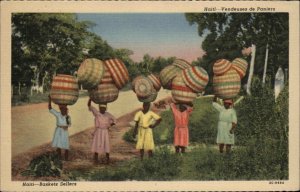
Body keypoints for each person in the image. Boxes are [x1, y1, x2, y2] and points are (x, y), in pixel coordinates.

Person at [88, 99, 116, 164]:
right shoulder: (97, 113)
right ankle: (96, 160)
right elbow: (90, 106)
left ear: (105, 108)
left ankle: (107, 159)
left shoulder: (108, 114)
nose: (102, 109)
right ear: (99, 108)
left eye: (103, 108)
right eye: (101, 108)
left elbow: (114, 119)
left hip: (105, 131)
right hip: (98, 131)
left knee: (106, 144)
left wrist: (110, 124)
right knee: (97, 144)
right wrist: (90, 99)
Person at [48, 95, 71, 161]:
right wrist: (49, 100)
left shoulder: (68, 117)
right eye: (63, 110)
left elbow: (69, 124)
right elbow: (50, 108)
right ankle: (59, 157)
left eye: (65, 110)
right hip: (58, 131)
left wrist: (66, 126)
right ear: (61, 110)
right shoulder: (58, 114)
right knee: (58, 144)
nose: (64, 111)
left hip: (65, 131)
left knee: (66, 145)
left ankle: (66, 158)